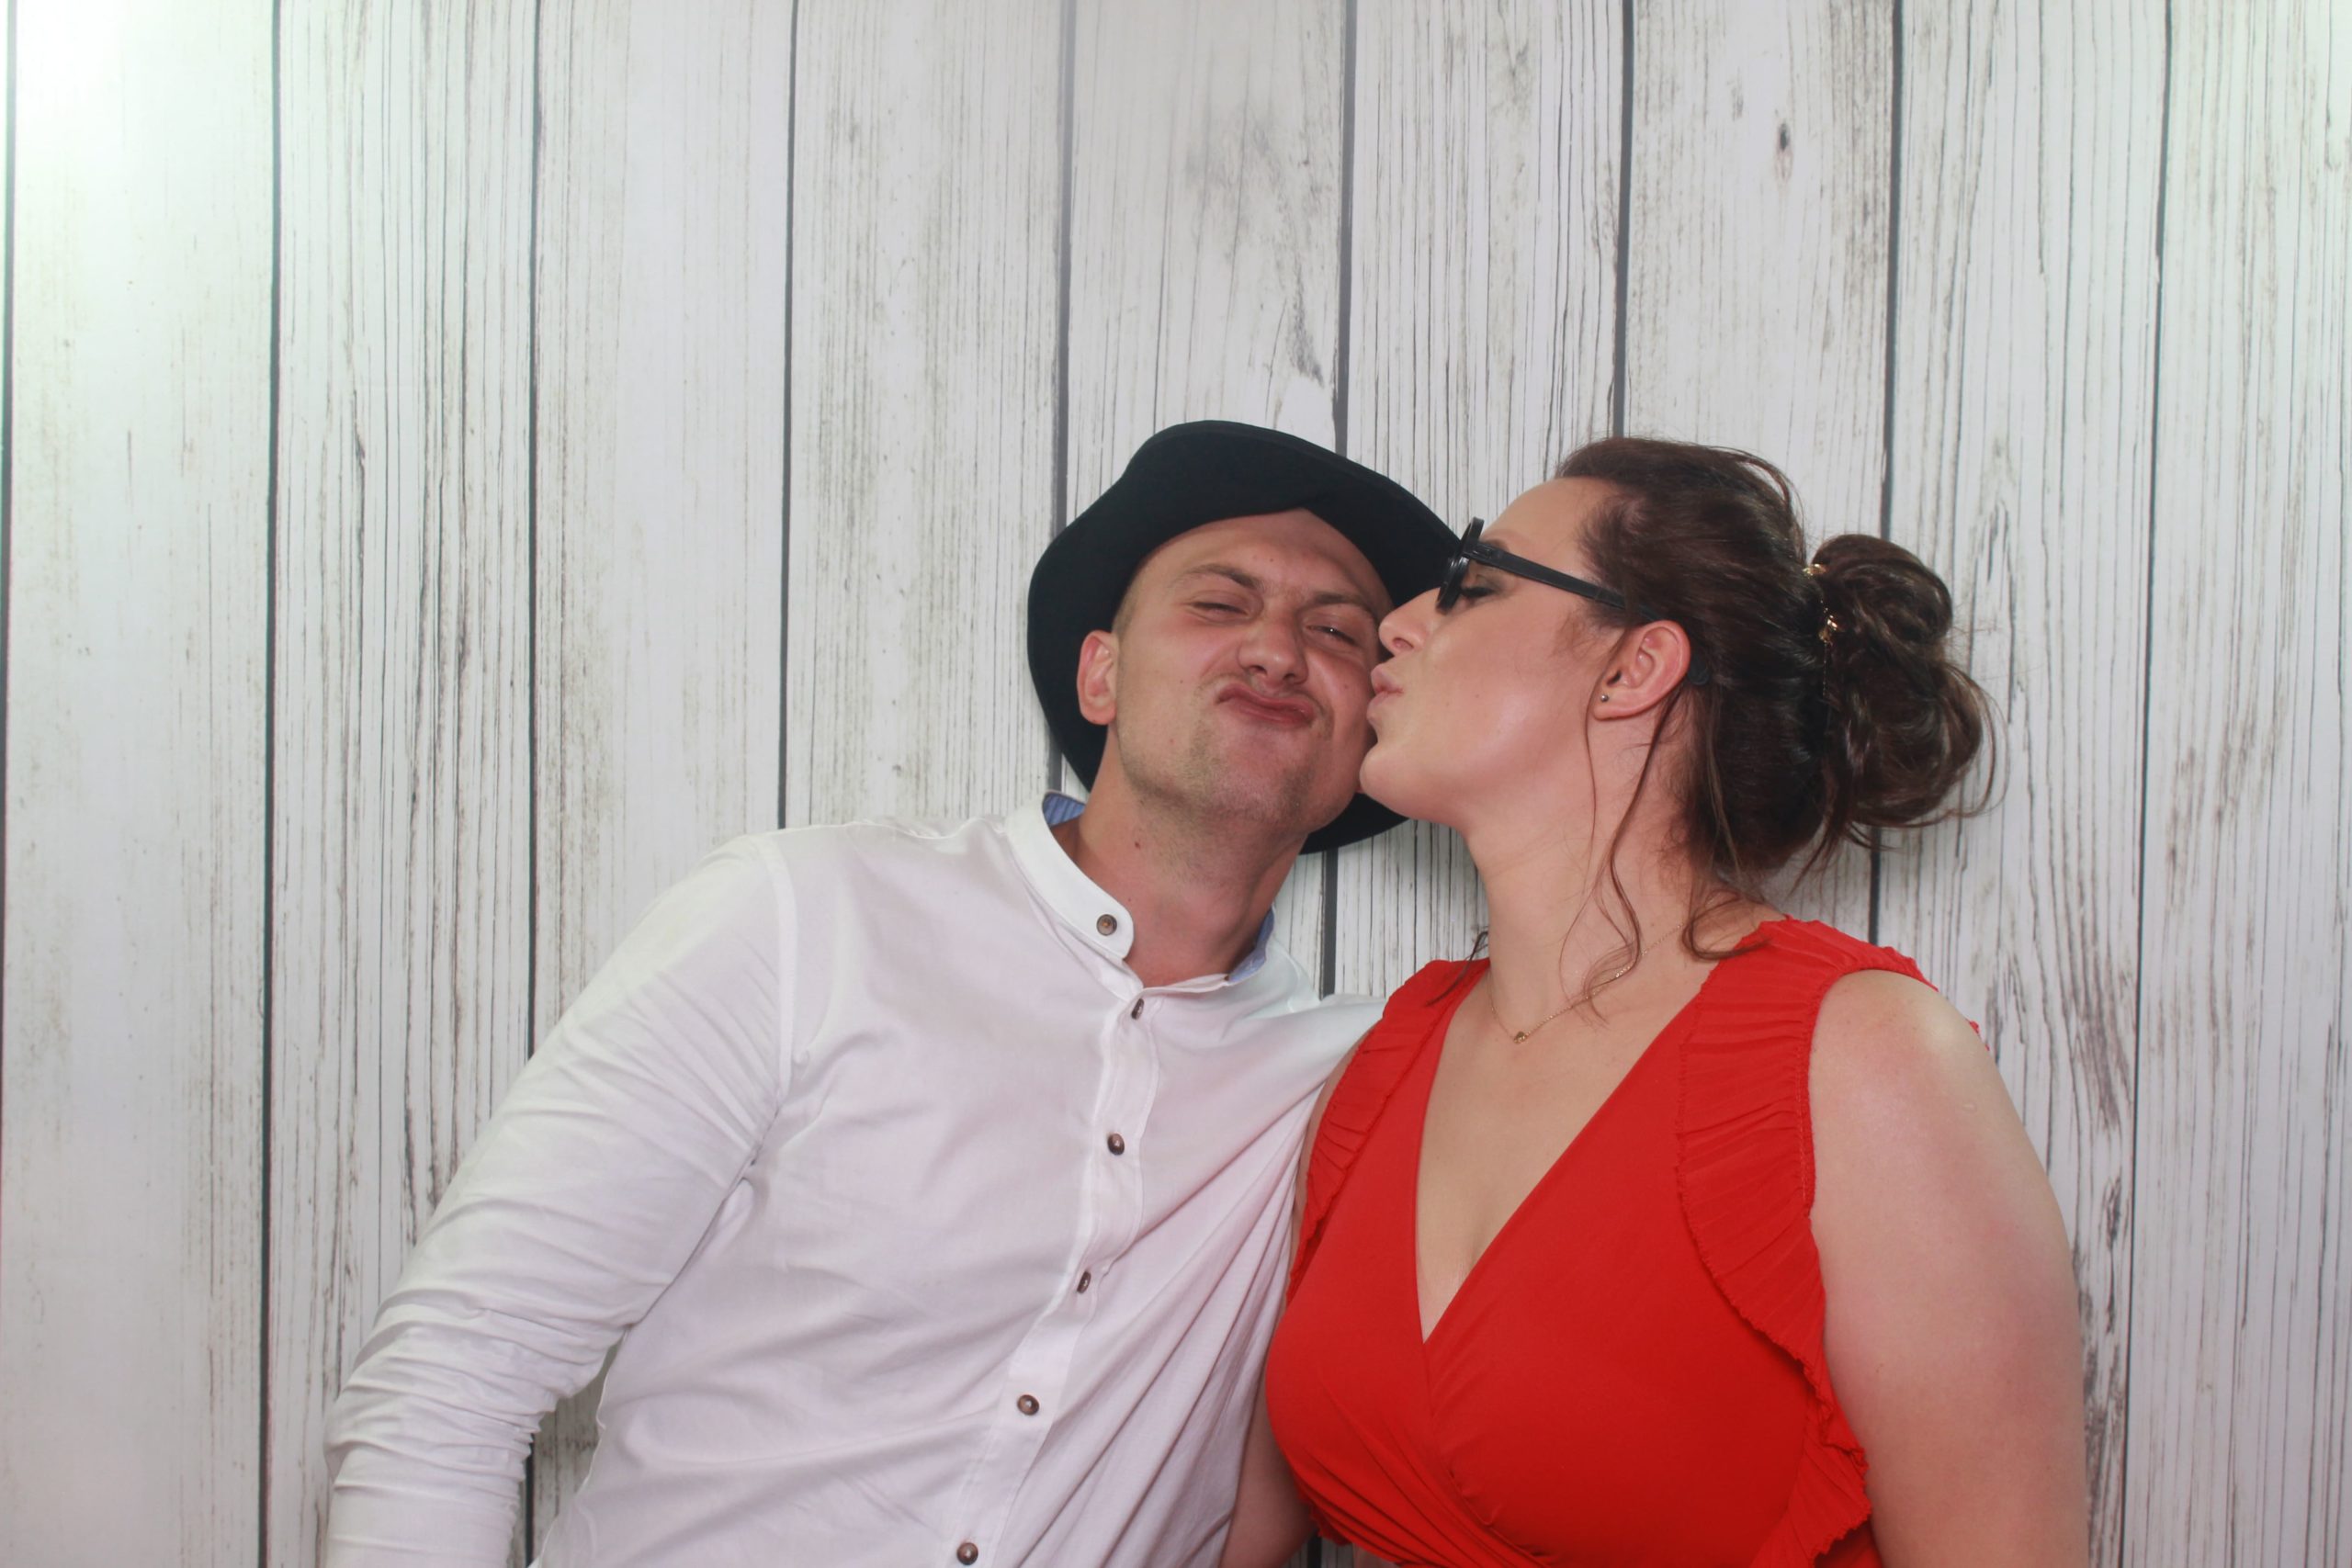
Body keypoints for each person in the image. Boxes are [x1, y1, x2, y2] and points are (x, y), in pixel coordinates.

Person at [322, 420, 1454, 1567]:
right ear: (1100, 675)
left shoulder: (1360, 1082)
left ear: (1372, 722)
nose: (1275, 651)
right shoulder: (809, 914)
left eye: (1335, 632)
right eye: (1219, 604)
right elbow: (453, 1379)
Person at [1226, 438, 2087, 1567]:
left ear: (1634, 669)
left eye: (1474, 583)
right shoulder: (1388, 1062)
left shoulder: (1862, 1061)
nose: (1397, 623)